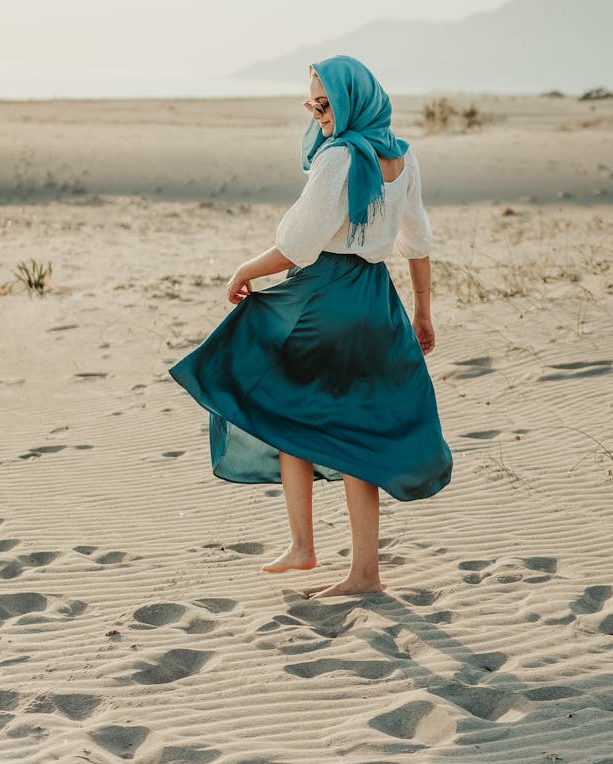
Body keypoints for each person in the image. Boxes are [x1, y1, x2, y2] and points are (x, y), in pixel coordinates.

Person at [168, 54, 453, 598]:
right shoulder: (403, 157)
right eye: (311, 102)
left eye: (325, 103)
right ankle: (319, 554)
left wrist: (245, 269)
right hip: (376, 301)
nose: (317, 112)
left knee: (286, 403)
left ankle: (341, 563)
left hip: (326, 298)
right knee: (325, 421)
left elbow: (298, 243)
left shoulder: (341, 156)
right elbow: (417, 243)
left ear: (350, 101)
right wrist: (421, 311)